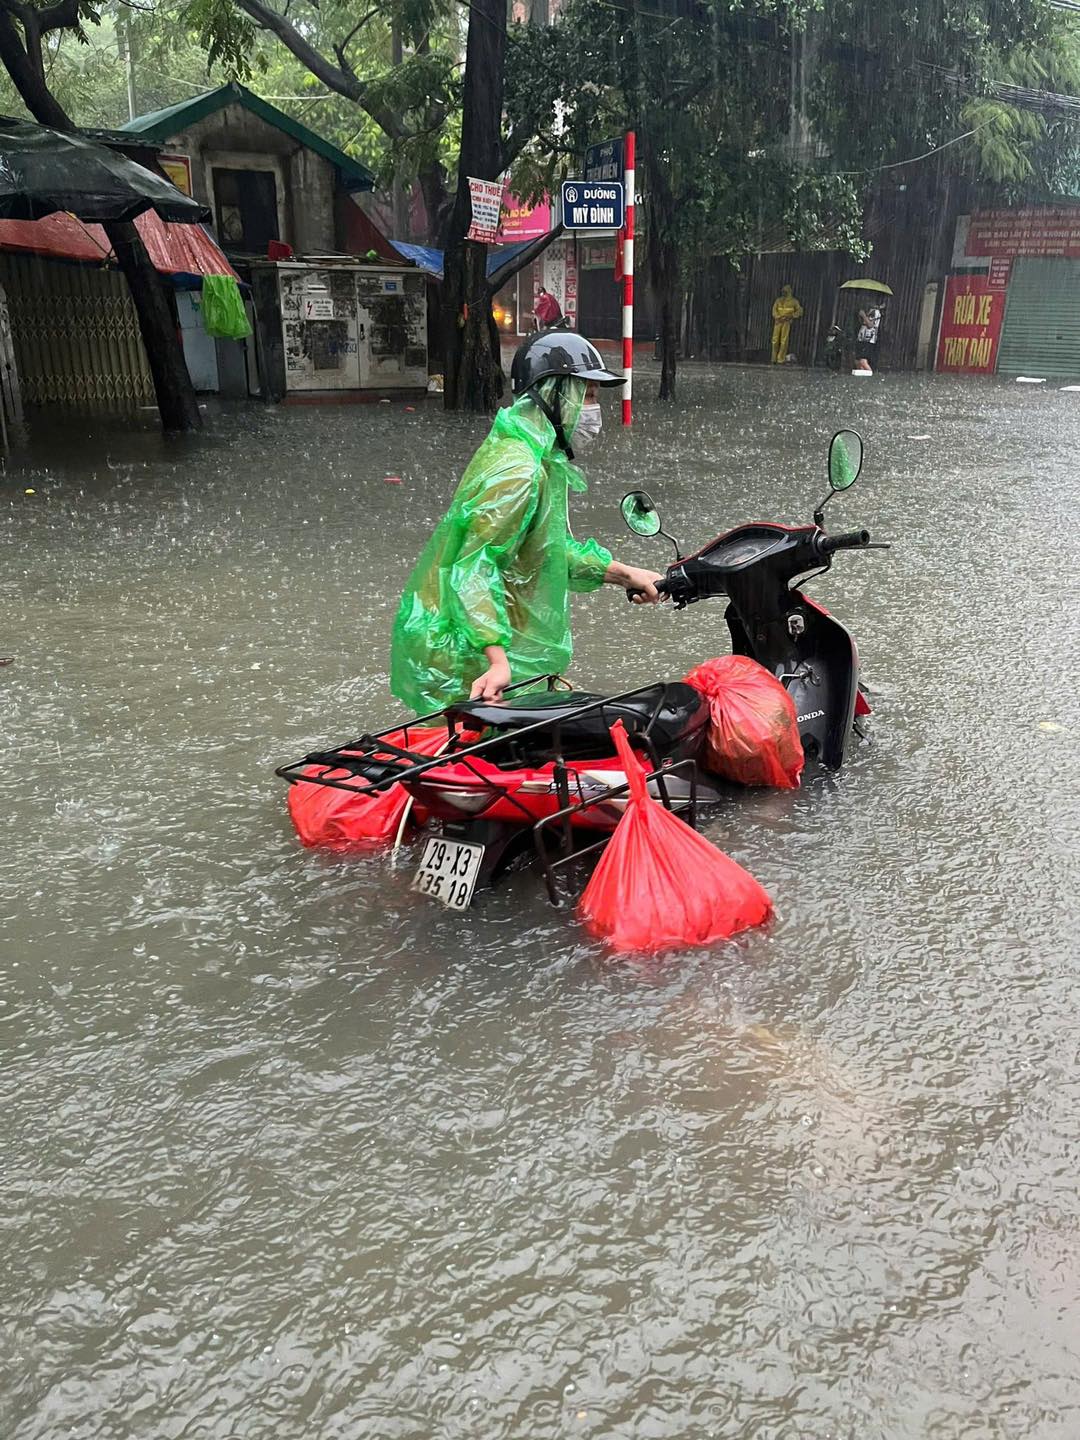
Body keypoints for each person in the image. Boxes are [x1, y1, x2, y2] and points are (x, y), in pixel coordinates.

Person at [390, 332, 666, 715]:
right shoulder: (519, 470)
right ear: (552, 394)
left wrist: (624, 574)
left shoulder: (537, 458)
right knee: (464, 756)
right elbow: (475, 564)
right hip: (465, 649)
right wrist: (497, 658)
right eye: (586, 397)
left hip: (487, 641)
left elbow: (540, 555)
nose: (593, 413)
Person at [770, 284, 803, 364]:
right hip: (778, 322)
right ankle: (773, 358)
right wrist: (777, 317)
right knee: (775, 340)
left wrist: (791, 316)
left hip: (786, 322)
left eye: (785, 291)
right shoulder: (778, 300)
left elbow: (800, 311)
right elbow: (774, 310)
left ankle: (780, 359)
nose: (784, 293)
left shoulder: (794, 301)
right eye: (783, 291)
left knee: (784, 341)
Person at [855, 304, 882, 372]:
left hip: (869, 339)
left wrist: (863, 315)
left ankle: (870, 373)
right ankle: (862, 376)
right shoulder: (869, 311)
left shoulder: (876, 312)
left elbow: (870, 325)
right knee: (857, 361)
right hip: (861, 337)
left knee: (863, 361)